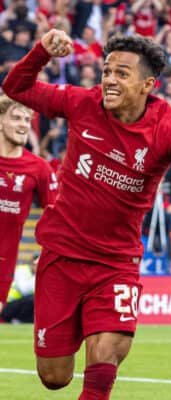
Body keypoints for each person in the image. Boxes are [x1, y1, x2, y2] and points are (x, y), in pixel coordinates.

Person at [2, 30, 171, 398]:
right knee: (54, 376)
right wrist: (41, 52)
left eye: (121, 73)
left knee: (104, 357)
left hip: (115, 263)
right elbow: (16, 86)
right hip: (61, 256)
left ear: (147, 85)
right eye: (107, 71)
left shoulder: (166, 127)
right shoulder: (82, 102)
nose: (108, 79)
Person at [0, 95, 57, 310]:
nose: (23, 124)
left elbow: (57, 214)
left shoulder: (39, 169)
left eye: (26, 120)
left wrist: (49, 250)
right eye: (16, 118)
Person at [0, 252, 38, 323]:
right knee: (34, 298)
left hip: (19, 305)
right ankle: (18, 319)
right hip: (8, 305)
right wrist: (38, 275)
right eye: (36, 264)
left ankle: (21, 321)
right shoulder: (22, 270)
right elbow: (24, 290)